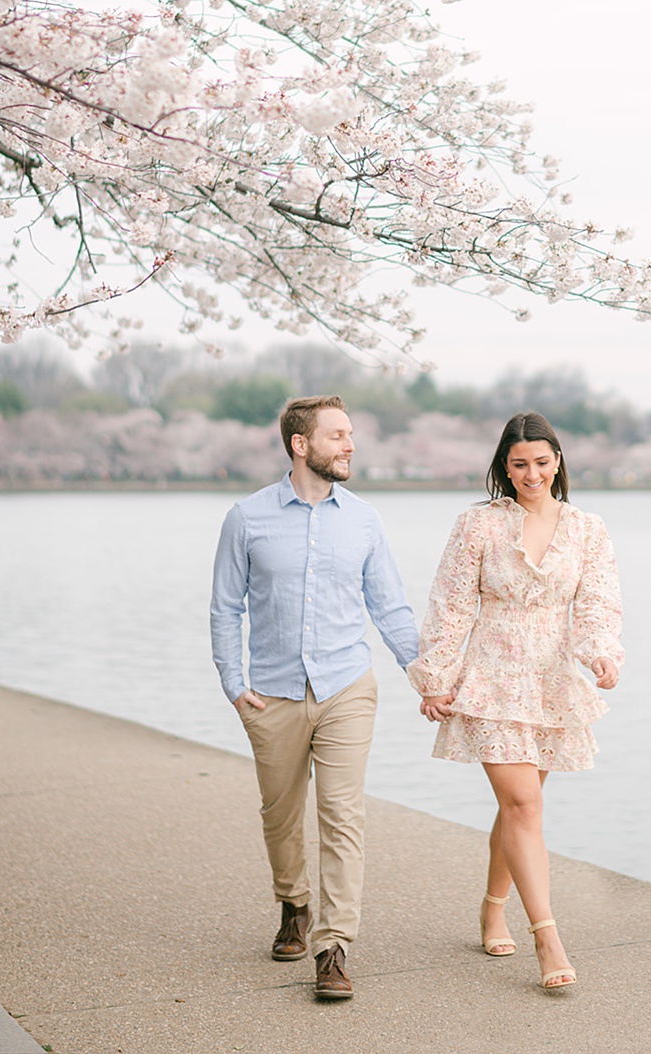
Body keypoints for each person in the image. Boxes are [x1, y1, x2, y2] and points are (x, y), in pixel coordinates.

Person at [208, 394, 421, 1001]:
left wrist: (423, 675)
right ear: (301, 445)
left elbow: (391, 607)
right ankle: (293, 905)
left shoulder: (364, 520)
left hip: (346, 687)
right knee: (279, 816)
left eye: (350, 434)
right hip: (270, 693)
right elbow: (226, 607)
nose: (350, 445)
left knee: (342, 816)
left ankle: (333, 948)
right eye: (337, 435)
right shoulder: (246, 518)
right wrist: (233, 684)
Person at [407, 411, 624, 991]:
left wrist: (601, 654)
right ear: (504, 467)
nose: (532, 473)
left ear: (558, 461)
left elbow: (597, 605)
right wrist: (435, 678)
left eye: (542, 462)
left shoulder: (588, 529)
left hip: (552, 683)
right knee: (525, 805)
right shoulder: (476, 526)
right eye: (520, 463)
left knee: (517, 809)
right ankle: (548, 938)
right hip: (491, 679)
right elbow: (451, 605)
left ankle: (492, 905)